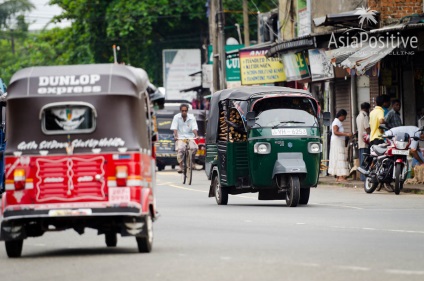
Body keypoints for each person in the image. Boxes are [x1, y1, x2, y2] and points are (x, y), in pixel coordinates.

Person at [170, 104, 199, 173]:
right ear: (180, 111)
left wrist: (196, 135)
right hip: (180, 137)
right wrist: (176, 136)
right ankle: (181, 166)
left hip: (190, 136)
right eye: (182, 111)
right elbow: (175, 128)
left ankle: (191, 162)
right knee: (180, 149)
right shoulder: (176, 117)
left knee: (194, 148)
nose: (184, 112)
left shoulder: (191, 117)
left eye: (185, 111)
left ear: (187, 111)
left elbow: (194, 128)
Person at [328, 109, 352, 182]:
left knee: (339, 158)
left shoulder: (337, 122)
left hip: (339, 142)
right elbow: (335, 132)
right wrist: (346, 134)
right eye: (344, 117)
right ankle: (340, 176)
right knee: (339, 158)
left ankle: (340, 176)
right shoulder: (336, 122)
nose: (344, 119)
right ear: (341, 115)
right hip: (337, 142)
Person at [356, 102, 371, 181]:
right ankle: (364, 177)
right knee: (365, 160)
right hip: (365, 141)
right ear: (366, 109)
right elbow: (367, 128)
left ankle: (362, 177)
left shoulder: (358, 116)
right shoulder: (365, 116)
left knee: (362, 159)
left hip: (360, 140)